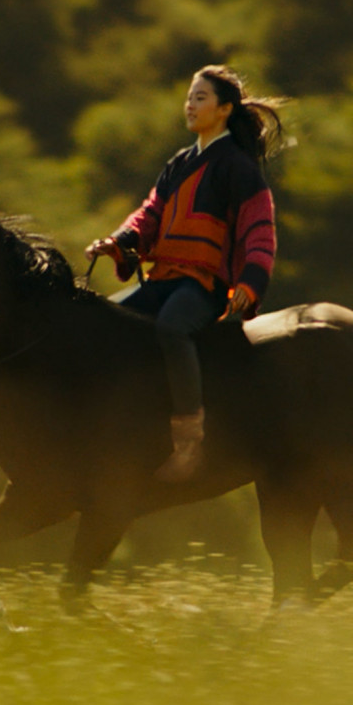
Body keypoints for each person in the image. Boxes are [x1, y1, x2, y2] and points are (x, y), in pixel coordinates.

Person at [86, 65, 289, 480]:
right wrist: (119, 242)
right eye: (189, 98)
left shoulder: (238, 166)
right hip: (164, 277)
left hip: (205, 285)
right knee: (102, 322)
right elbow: (151, 214)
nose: (190, 105)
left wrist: (251, 282)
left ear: (224, 110)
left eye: (201, 98)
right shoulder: (180, 162)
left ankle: (189, 440)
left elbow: (259, 229)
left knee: (172, 329)